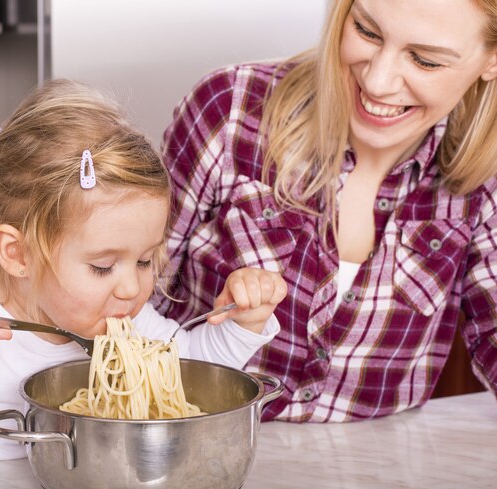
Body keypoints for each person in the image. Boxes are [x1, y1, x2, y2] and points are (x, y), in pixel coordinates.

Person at [0, 79, 287, 467]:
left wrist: (245, 322)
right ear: (18, 254)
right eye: (103, 267)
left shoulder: (126, 319)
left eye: (145, 260)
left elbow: (192, 370)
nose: (132, 287)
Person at [153, 0, 497, 423]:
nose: (378, 81)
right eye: (367, 32)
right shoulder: (231, 109)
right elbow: (130, 295)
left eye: (425, 60)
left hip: (372, 470)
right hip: (199, 442)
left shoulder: (486, 177)